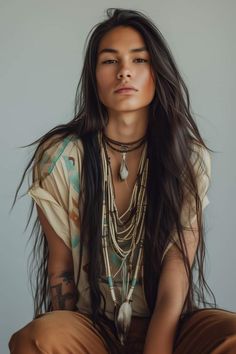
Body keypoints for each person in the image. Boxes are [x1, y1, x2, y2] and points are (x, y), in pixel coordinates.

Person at [9, 7, 236, 354]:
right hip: (93, 324)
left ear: (157, 73)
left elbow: (177, 266)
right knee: (37, 339)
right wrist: (65, 334)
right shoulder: (61, 158)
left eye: (140, 60)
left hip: (168, 324)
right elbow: (60, 270)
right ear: (93, 75)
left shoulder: (186, 157)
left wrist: (157, 347)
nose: (125, 71)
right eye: (109, 61)